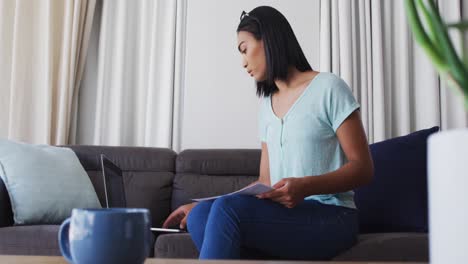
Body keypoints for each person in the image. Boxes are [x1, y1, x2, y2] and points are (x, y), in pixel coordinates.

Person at [162, 6, 374, 260]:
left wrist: (305, 186)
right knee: (199, 216)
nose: (243, 63)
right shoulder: (267, 105)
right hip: (287, 216)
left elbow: (363, 168)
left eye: (244, 49)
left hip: (332, 216)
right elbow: (265, 180)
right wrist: (203, 205)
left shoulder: (329, 88)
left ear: (269, 40)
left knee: (228, 212)